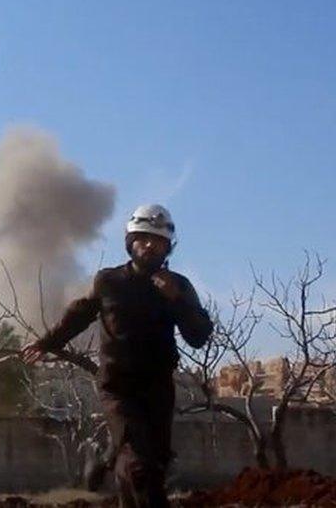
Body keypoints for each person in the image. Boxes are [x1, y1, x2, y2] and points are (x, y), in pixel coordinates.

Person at [21, 204, 213, 508]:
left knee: (154, 465)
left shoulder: (179, 287)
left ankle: (109, 457)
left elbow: (199, 336)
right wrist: (47, 342)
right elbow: (78, 315)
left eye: (159, 240)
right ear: (130, 241)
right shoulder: (109, 281)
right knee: (139, 467)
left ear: (168, 248)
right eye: (143, 237)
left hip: (158, 387)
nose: (150, 245)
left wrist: (175, 299)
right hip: (118, 388)